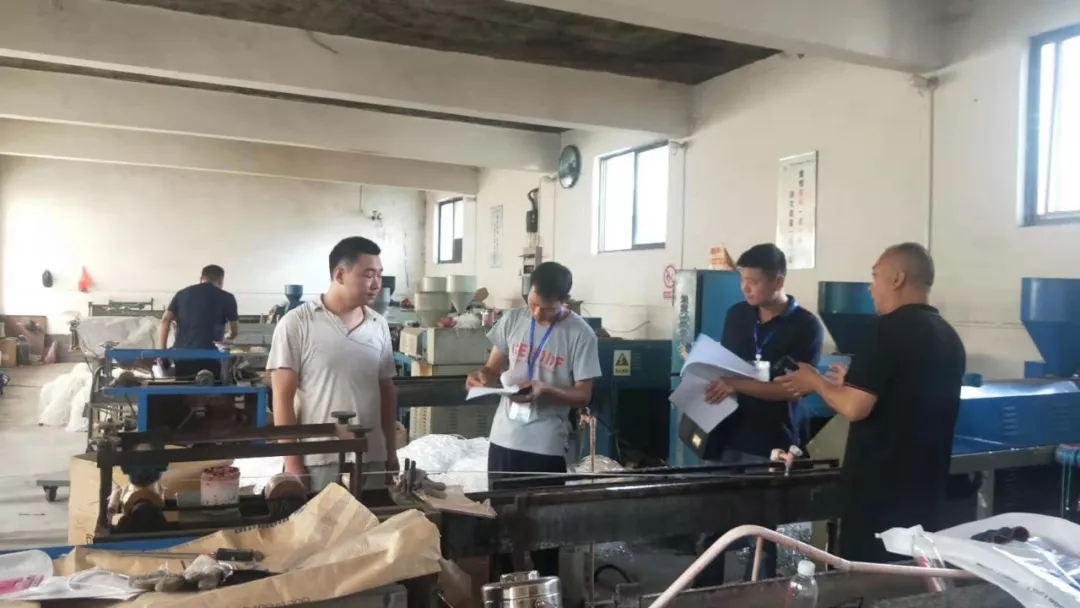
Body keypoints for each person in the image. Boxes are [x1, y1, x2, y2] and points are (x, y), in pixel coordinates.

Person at [778, 242, 965, 563]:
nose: (870, 286)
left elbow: (855, 407)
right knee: (912, 575)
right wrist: (853, 383)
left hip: (880, 495)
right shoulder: (947, 336)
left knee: (870, 577)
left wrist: (815, 381)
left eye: (875, 276)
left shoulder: (887, 329)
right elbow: (902, 393)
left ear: (897, 279)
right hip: (926, 489)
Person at [694, 243, 823, 585]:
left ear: (778, 282)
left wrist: (735, 385)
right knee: (710, 526)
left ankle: (760, 594)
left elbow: (791, 389)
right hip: (724, 434)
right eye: (742, 280)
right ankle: (704, 595)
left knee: (761, 534)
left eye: (754, 281)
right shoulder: (737, 315)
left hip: (768, 442)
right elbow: (724, 367)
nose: (746, 288)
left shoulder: (806, 327)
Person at [465, 261, 601, 577]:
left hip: (544, 446)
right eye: (533, 304)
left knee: (544, 532)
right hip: (504, 440)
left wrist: (546, 389)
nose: (538, 313)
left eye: (548, 309)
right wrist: (480, 376)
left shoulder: (581, 335)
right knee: (499, 527)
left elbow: (584, 395)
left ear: (565, 301)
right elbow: (492, 368)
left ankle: (545, 592)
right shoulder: (514, 319)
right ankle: (502, 591)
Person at [267, 237, 398, 493]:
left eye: (379, 275)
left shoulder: (378, 325)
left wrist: (390, 452)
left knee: (373, 518)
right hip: (319, 458)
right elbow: (282, 397)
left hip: (372, 457)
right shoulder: (297, 323)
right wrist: (293, 464)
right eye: (368, 275)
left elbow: (387, 392)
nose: (377, 284)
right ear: (339, 275)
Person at [158, 264, 239, 380]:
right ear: (221, 281)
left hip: (183, 357)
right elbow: (234, 331)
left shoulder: (182, 294)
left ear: (201, 278)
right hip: (212, 358)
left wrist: (162, 353)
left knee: (185, 388)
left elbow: (165, 321)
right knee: (211, 389)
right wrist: (227, 337)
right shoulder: (227, 297)